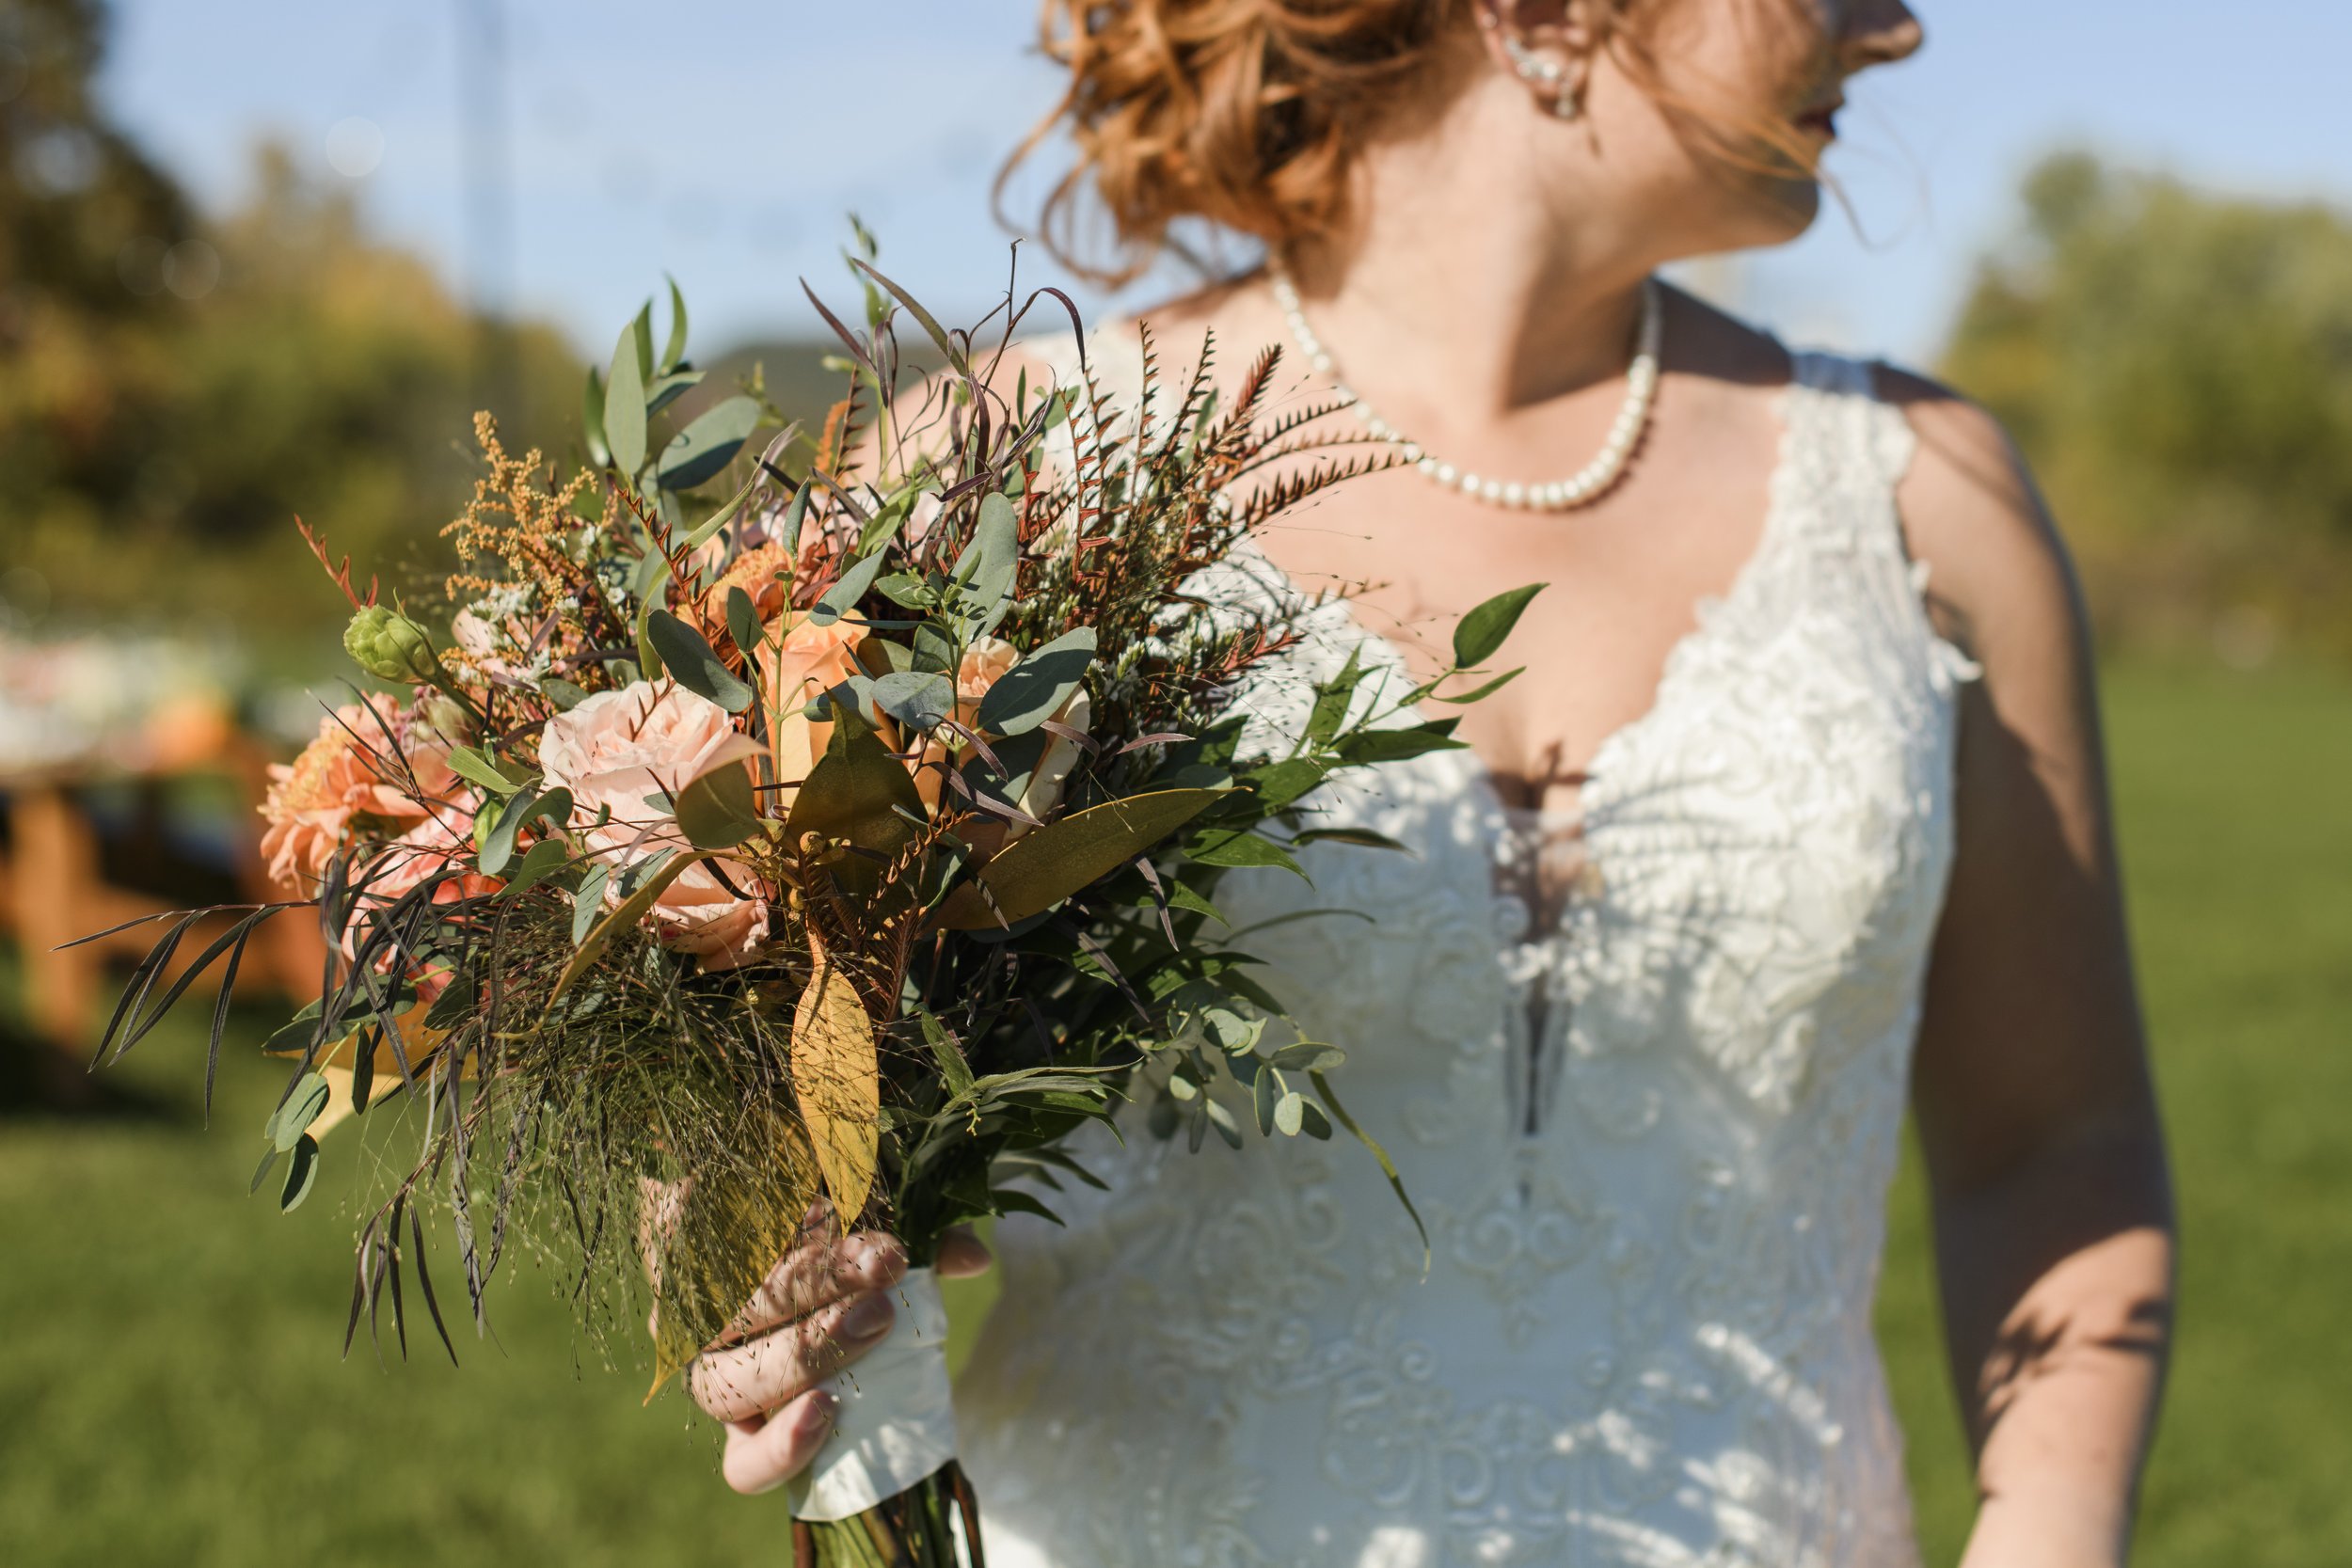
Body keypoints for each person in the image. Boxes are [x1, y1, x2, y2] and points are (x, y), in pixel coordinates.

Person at [681, 2, 2175, 1562]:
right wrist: (743, 1241)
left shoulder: (1930, 502)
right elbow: (746, 1070)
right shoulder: (1008, 481)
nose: (1897, 29)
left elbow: (2056, 1145)